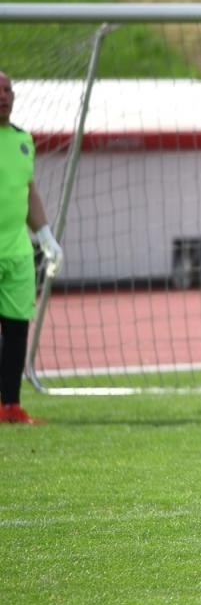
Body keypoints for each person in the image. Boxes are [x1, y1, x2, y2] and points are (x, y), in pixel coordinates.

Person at [0, 70, 63, 425]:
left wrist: (46, 237)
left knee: (17, 329)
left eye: (8, 90)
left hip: (18, 252)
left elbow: (29, 191)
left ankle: (10, 406)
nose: (3, 96)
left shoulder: (25, 140)